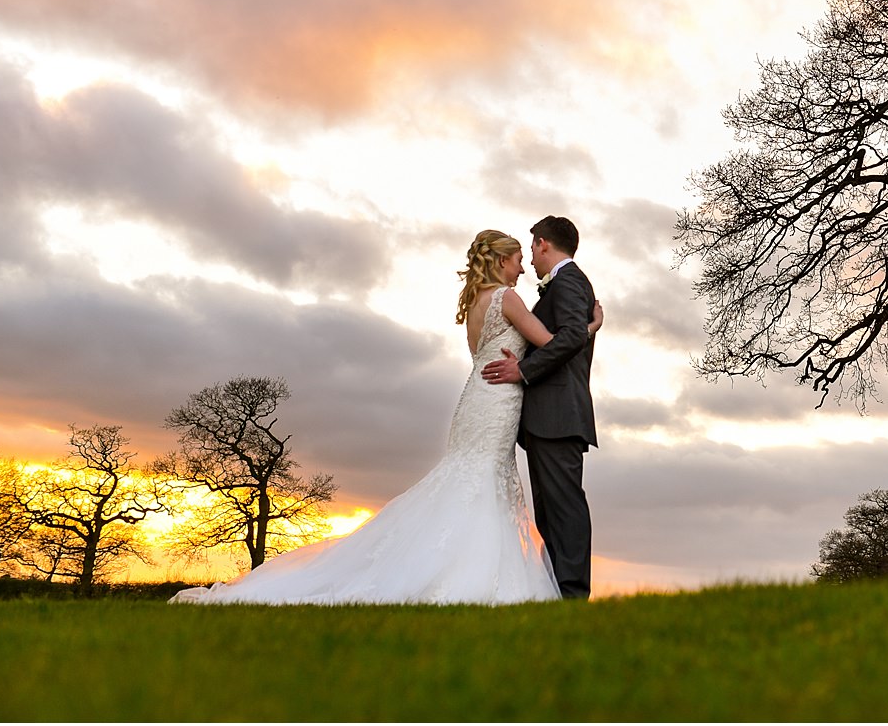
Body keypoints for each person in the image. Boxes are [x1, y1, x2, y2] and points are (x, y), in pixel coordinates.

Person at [170, 229, 602, 605]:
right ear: (502, 261)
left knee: (470, 478)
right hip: (497, 400)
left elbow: (484, 355)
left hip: (477, 398)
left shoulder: (476, 303)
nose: (522, 269)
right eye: (518, 261)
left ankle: (454, 563)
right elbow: (550, 341)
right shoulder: (507, 298)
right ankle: (470, 573)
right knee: (482, 479)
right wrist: (591, 325)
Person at [481, 215, 596, 599]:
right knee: (550, 514)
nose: (529, 257)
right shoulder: (562, 286)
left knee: (566, 508)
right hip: (549, 418)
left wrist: (523, 370)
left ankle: (573, 594)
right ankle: (556, 592)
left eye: (532, 247)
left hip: (559, 415)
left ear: (544, 243)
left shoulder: (569, 282)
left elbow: (567, 339)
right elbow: (568, 337)